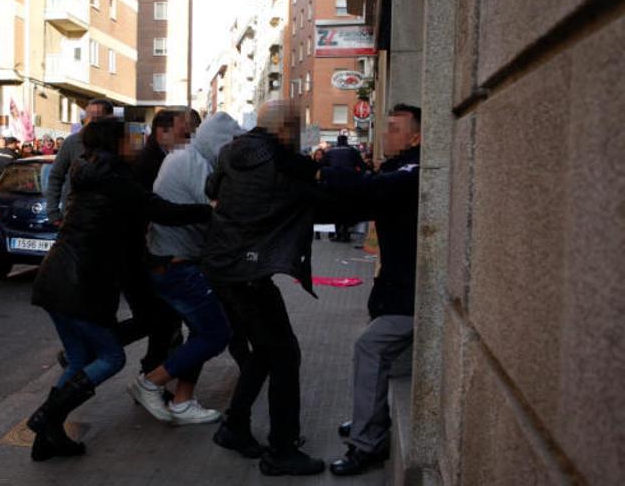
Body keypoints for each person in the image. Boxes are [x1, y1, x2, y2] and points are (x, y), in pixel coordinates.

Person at [28, 117, 211, 461]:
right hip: (82, 282)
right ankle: (46, 418)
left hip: (55, 277)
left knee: (80, 359)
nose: (137, 144)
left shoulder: (88, 169)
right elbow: (161, 211)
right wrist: (210, 210)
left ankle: (46, 436)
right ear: (116, 143)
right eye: (132, 139)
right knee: (111, 358)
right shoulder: (115, 178)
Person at [202, 100, 326, 476]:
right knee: (285, 356)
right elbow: (323, 201)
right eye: (298, 128)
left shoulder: (230, 151)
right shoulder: (283, 163)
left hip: (222, 266)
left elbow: (211, 188)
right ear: (287, 129)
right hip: (247, 274)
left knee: (263, 351)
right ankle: (282, 449)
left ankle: (235, 426)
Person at [322, 104, 422, 476]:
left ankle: (367, 444)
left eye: (394, 129)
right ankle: (370, 421)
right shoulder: (397, 166)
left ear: (416, 136)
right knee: (374, 350)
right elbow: (356, 201)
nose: (385, 134)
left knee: (369, 346)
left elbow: (369, 189)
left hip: (412, 291)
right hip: (394, 287)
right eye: (385, 127)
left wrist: (329, 170)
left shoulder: (416, 169)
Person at [129, 113, 244, 426]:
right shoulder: (191, 163)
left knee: (201, 331)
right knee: (216, 333)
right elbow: (220, 214)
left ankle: (183, 401)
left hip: (179, 262)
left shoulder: (194, 158)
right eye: (232, 144)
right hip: (175, 265)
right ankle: (150, 382)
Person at [45, 98, 115, 225]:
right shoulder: (72, 142)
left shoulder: (119, 145)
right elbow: (56, 176)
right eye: (88, 117)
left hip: (109, 219)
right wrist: (53, 212)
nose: (90, 121)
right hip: (74, 216)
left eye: (96, 117)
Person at [321, 134, 367, 242]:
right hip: (349, 183)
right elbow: (362, 166)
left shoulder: (330, 152)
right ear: (346, 141)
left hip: (333, 184)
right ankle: (346, 233)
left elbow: (322, 165)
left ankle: (338, 233)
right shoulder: (352, 151)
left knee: (335, 208)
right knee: (347, 207)